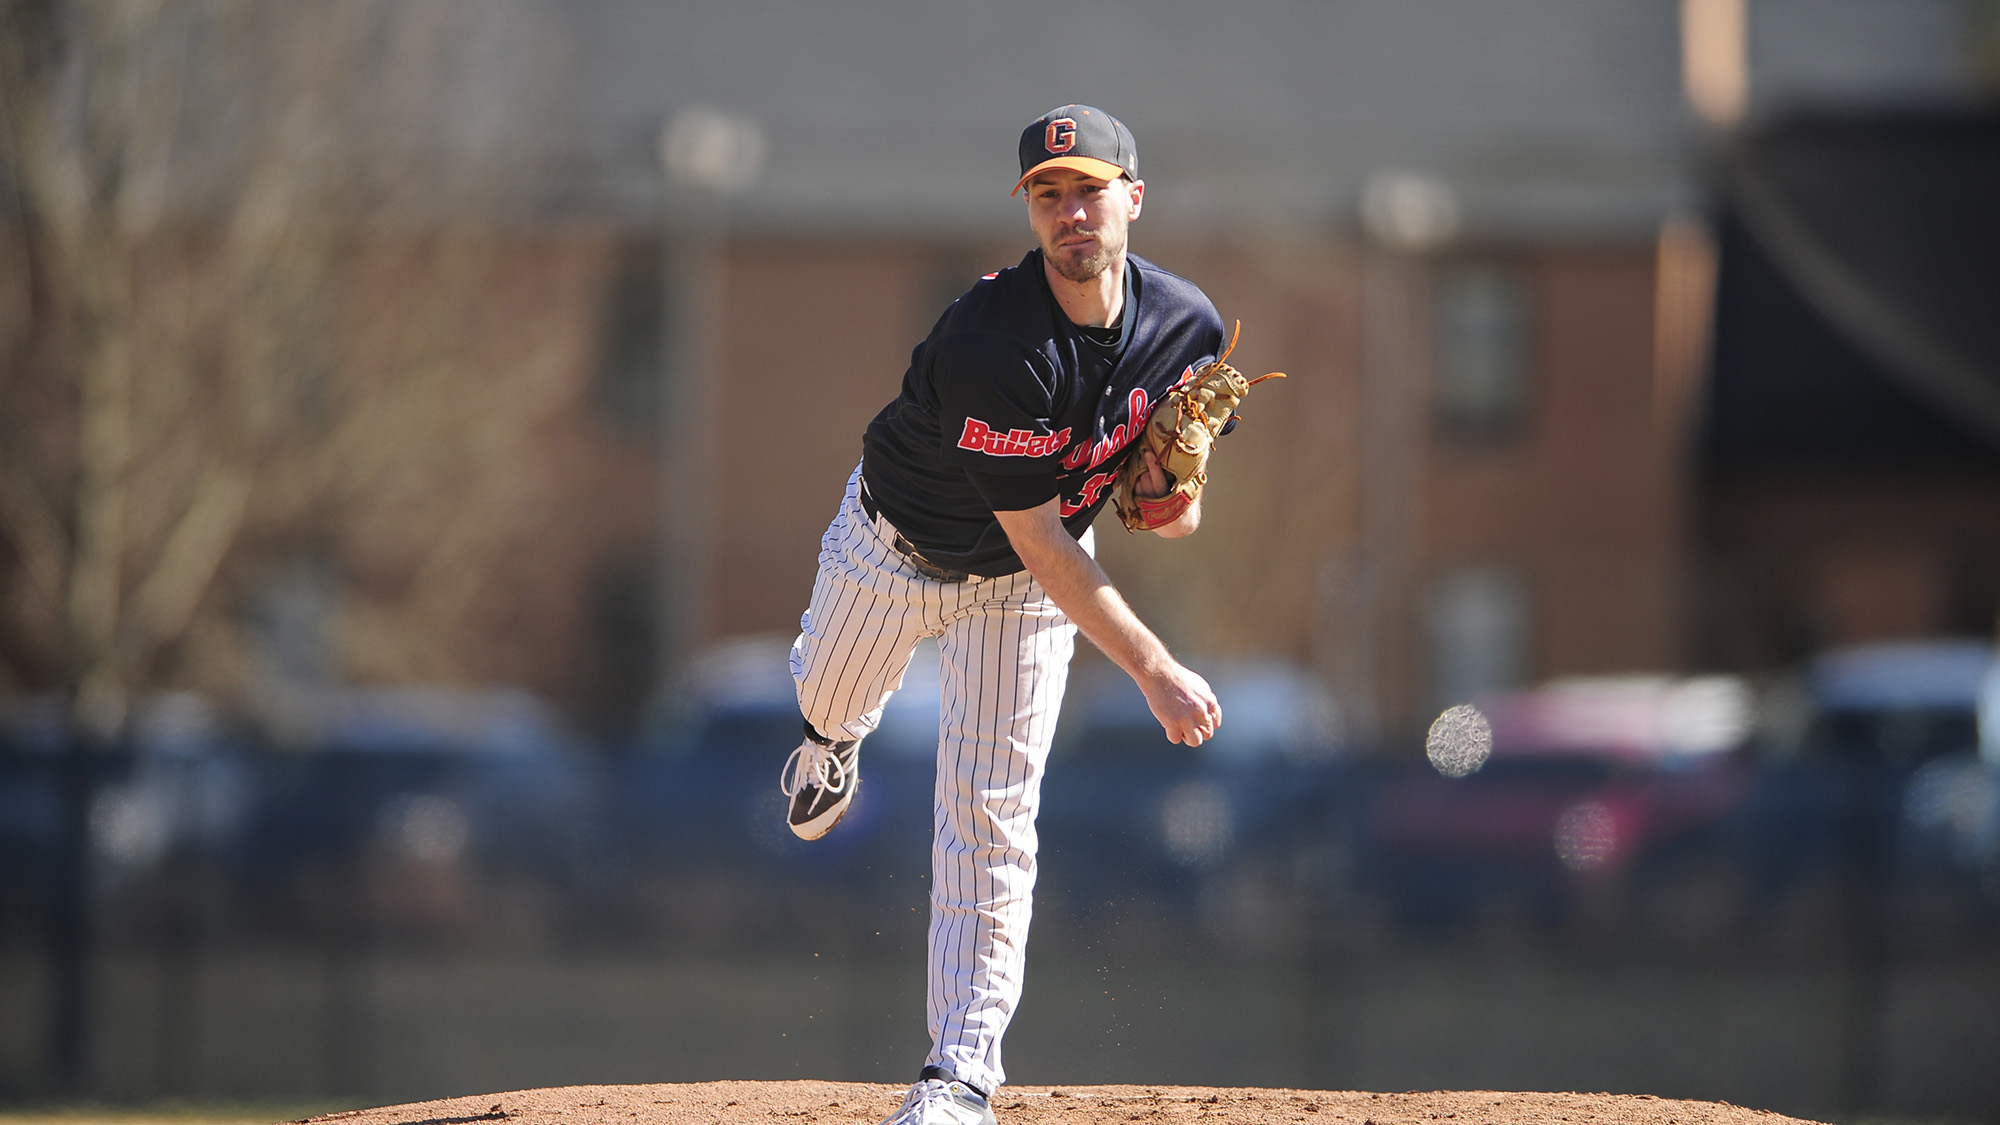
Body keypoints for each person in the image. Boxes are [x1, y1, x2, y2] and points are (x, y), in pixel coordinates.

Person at [781, 104, 1227, 1125]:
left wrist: (1171, 494)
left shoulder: (1186, 326)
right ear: (1029, 212)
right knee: (827, 697)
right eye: (1048, 194)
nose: (1072, 212)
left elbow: (1171, 513)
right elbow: (1042, 541)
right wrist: (1154, 667)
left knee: (991, 816)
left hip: (1023, 592)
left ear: (1133, 198)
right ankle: (829, 744)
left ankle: (959, 1074)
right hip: (896, 547)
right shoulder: (995, 341)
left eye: (1089, 189)